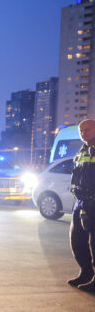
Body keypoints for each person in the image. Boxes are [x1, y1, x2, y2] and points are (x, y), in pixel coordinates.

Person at [68, 118, 95, 291]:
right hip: (81, 200)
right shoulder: (83, 149)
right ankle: (86, 272)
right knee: (76, 238)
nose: (84, 132)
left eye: (88, 129)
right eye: (81, 130)